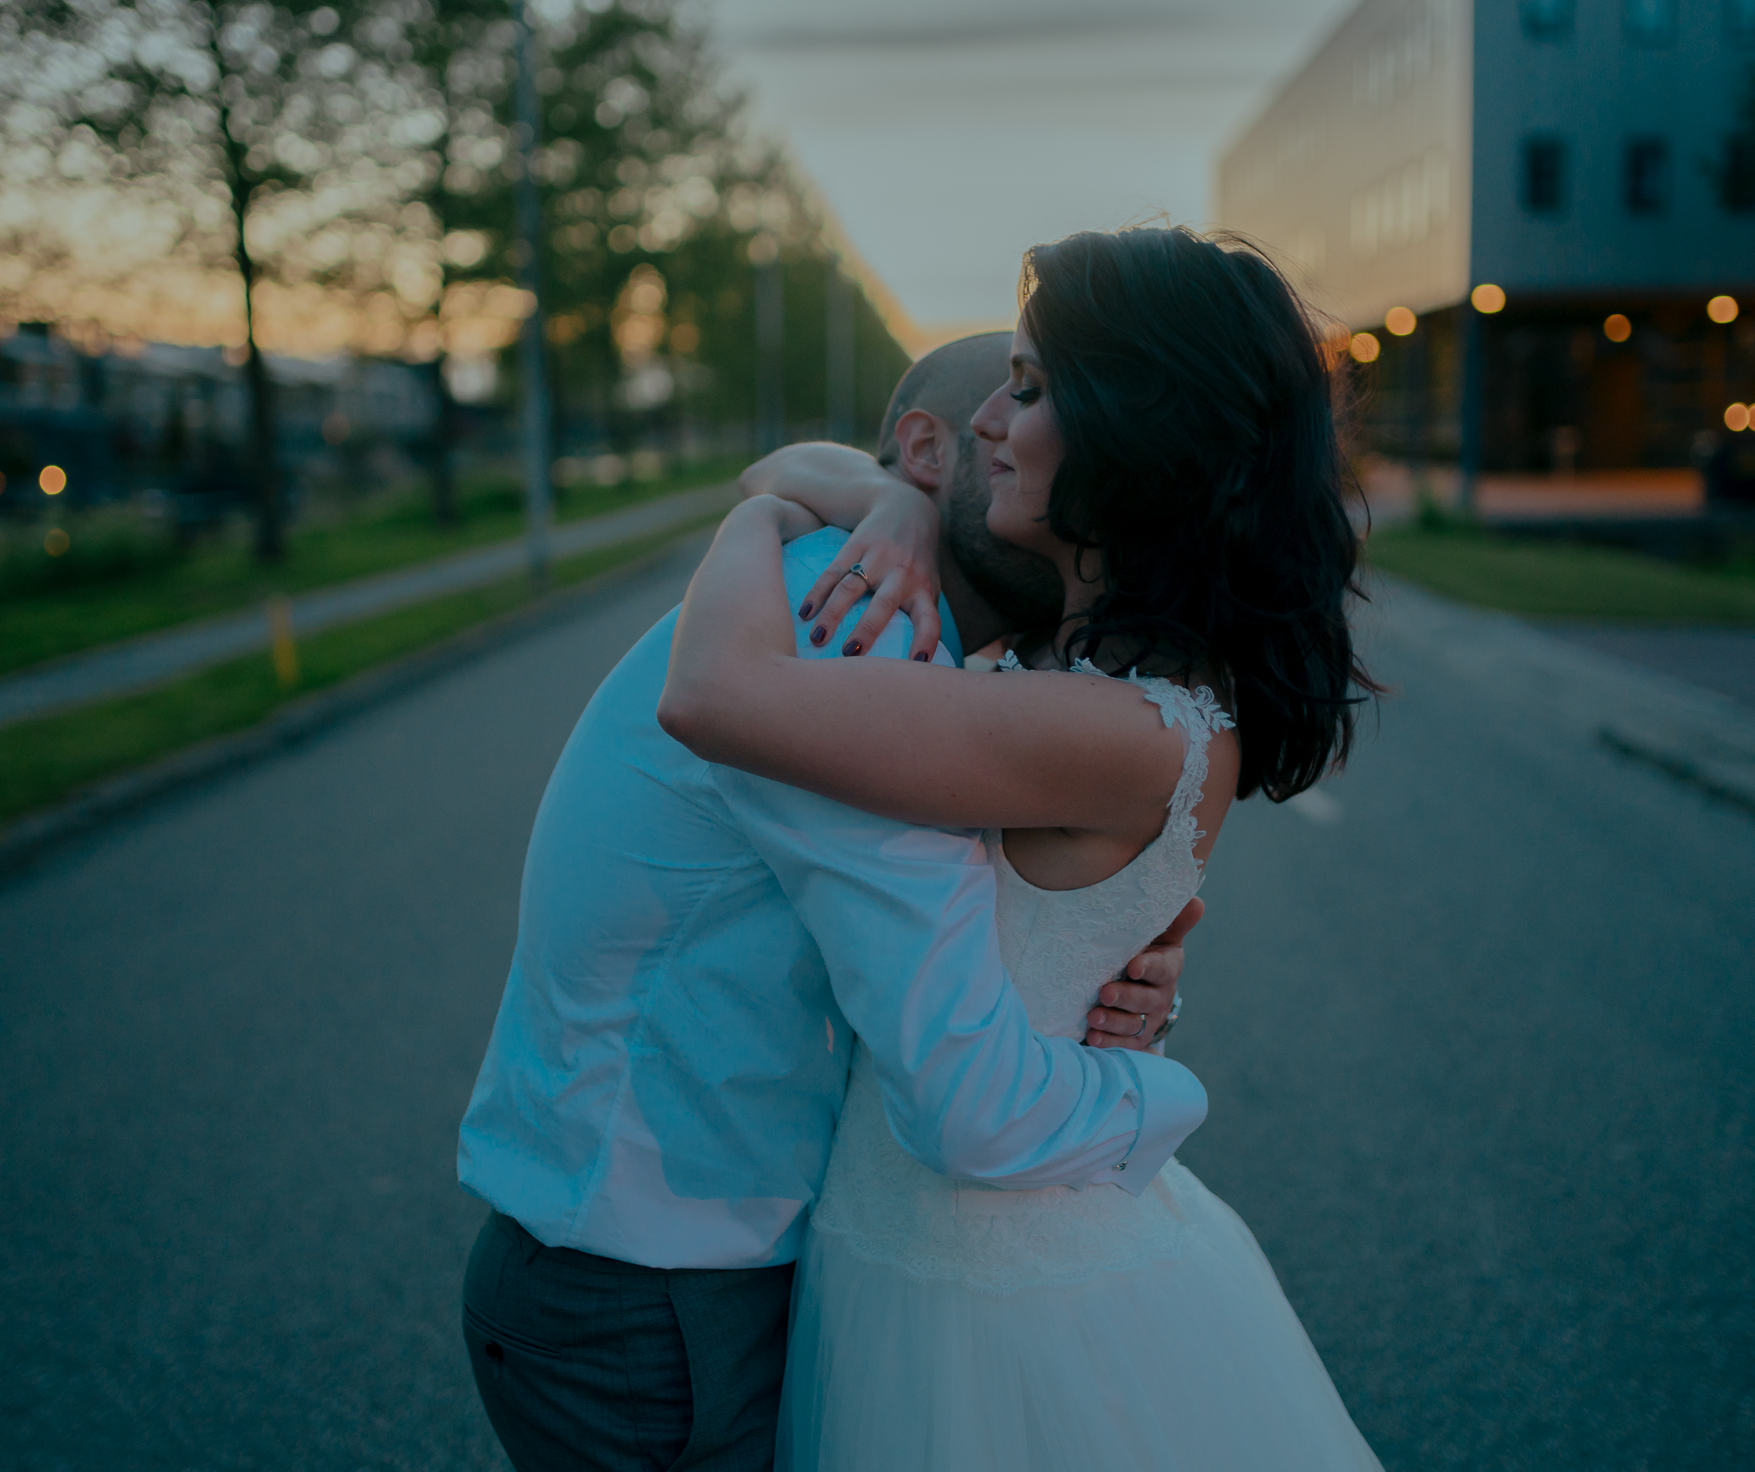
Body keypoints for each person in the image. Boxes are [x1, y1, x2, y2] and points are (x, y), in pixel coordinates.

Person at [660, 225, 1383, 1470]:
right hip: (944, 1232)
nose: (989, 414)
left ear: (1135, 431)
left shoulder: (1095, 723)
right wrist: (890, 493)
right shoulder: (1096, 677)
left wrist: (758, 524)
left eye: (1033, 387)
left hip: (982, 1277)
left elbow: (715, 695)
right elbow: (811, 453)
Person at [454, 332, 1207, 1472]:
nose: (1022, 437)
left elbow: (913, 948)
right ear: (929, 450)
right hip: (654, 1295)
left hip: (675, 1259)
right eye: (1010, 405)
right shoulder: (855, 633)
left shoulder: (883, 629)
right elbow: (965, 1093)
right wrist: (1158, 1093)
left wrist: (1088, 973)